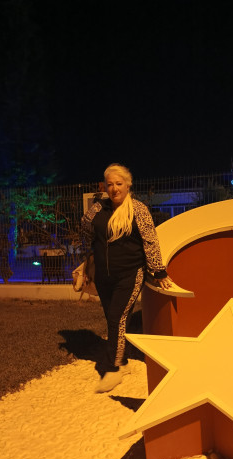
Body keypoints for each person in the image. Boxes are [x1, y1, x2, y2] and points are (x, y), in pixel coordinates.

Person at [81, 163, 172, 393]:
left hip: (130, 274)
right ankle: (122, 360)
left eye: (119, 184)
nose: (114, 188)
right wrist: (91, 254)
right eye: (110, 184)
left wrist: (159, 271)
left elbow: (150, 241)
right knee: (113, 320)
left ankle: (114, 369)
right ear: (105, 186)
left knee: (116, 317)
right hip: (104, 276)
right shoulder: (98, 208)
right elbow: (85, 227)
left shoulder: (138, 210)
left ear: (128, 185)